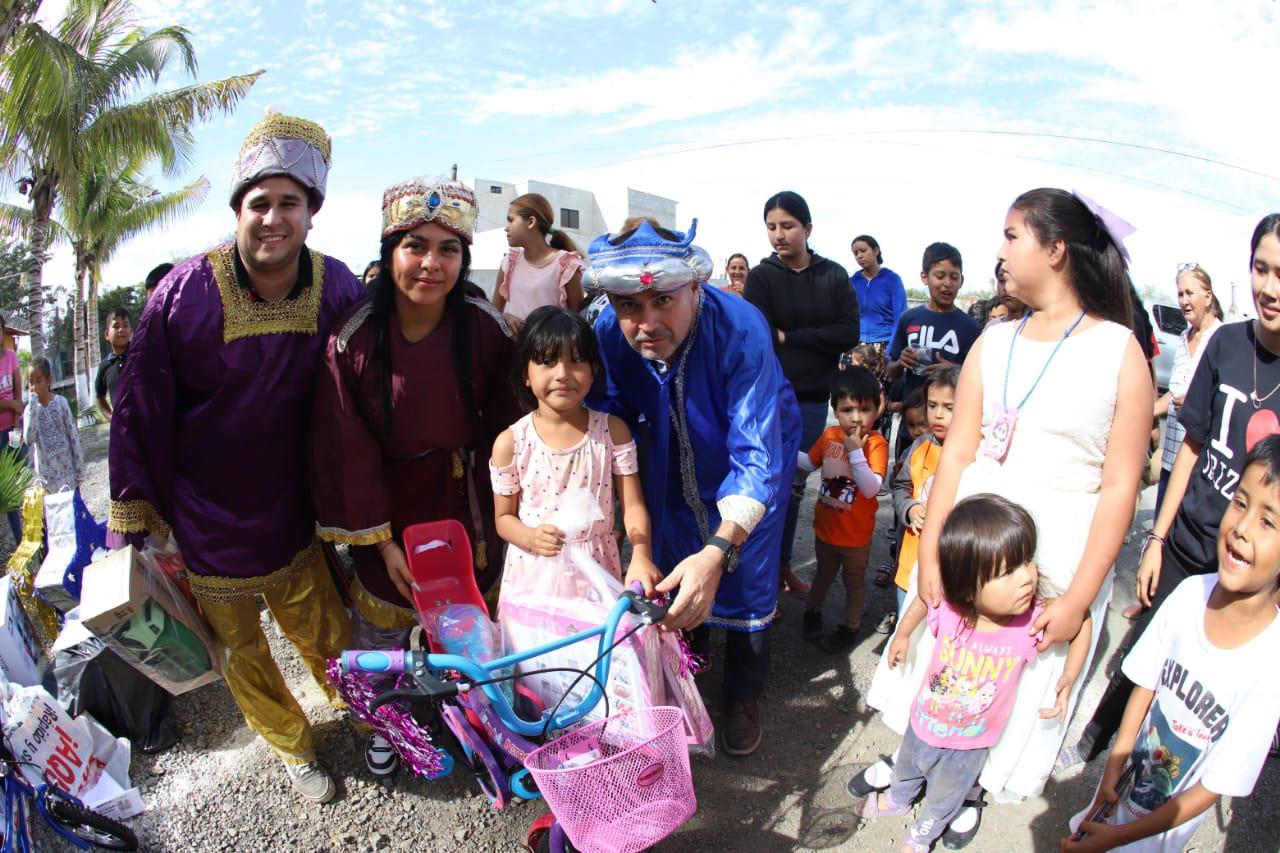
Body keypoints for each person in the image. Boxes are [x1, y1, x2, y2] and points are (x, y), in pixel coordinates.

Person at [858, 189, 1152, 847]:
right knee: (950, 680)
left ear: (1055, 249)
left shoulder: (1118, 350)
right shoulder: (993, 340)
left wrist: (1078, 597)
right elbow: (957, 450)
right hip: (972, 553)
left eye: (1012, 234)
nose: (998, 249)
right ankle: (925, 772)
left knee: (1017, 696)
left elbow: (1119, 487)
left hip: (1054, 569)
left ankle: (974, 789)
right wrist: (931, 550)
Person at [108, 112, 364, 804]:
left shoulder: (339, 288)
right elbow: (138, 408)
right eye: (260, 203)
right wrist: (132, 520)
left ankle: (370, 713)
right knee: (243, 654)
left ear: (312, 213)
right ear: (239, 211)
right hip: (208, 522)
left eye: (289, 203)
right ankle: (292, 745)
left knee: (328, 634)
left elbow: (376, 383)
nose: (273, 218)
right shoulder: (183, 295)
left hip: (294, 517)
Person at [310, 175, 519, 776]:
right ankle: (387, 722)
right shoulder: (351, 341)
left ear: (464, 258)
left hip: (468, 500)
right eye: (415, 246)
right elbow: (344, 447)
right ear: (388, 253)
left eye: (447, 249)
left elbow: (514, 428)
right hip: (389, 508)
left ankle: (477, 714)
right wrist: (378, 539)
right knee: (381, 624)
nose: (431, 264)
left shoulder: (487, 329)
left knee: (473, 619)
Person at [1069, 213, 1280, 768]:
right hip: (1189, 540)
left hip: (1258, 565)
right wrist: (1158, 538)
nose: (1269, 287)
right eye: (1261, 268)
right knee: (1145, 648)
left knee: (1213, 684)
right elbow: (1191, 445)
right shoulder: (1227, 345)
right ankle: (1096, 739)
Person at [586, 217, 800, 756]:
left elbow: (756, 453)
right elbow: (606, 416)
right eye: (628, 305)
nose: (646, 321)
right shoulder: (608, 333)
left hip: (749, 458)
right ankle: (688, 666)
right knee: (672, 560)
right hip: (661, 462)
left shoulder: (741, 327)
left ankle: (744, 695)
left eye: (663, 300)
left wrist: (722, 545)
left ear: (695, 286)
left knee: (746, 578)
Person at [1063, 437, 1280, 853]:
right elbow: (1146, 683)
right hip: (1118, 797)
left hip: (1153, 837)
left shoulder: (1270, 664)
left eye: (1268, 521)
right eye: (1240, 502)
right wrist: (1113, 766)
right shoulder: (1187, 595)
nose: (1242, 526)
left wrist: (1121, 838)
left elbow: (1215, 785)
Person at [856, 494, 1090, 853]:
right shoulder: (950, 608)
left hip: (971, 744)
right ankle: (900, 798)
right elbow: (924, 598)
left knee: (946, 796)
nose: (1028, 576)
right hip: (922, 723)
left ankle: (924, 832)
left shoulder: (1029, 624)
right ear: (966, 584)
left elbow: (1081, 620)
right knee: (907, 767)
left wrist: (1069, 677)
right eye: (1008, 571)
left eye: (1027, 560)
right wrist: (902, 635)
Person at [743, 191, 859, 601]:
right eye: (772, 227)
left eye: (788, 226)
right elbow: (759, 337)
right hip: (767, 400)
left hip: (811, 401)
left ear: (807, 229)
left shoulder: (833, 275)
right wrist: (812, 342)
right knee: (763, 484)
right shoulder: (761, 278)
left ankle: (781, 567)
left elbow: (848, 333)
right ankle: (759, 573)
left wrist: (792, 337)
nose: (779, 235)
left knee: (792, 487)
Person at [491, 305, 660, 585]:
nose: (562, 373)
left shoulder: (612, 431)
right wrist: (530, 537)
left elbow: (633, 506)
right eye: (547, 362)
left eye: (576, 360)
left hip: (597, 575)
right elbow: (503, 518)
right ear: (525, 374)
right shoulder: (510, 443)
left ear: (594, 369)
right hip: (532, 580)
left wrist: (642, 553)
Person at [796, 366, 888, 653]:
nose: (857, 418)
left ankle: (851, 627)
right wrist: (782, 450)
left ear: (877, 409)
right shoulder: (830, 436)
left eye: (865, 409)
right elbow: (810, 463)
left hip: (855, 537)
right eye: (848, 409)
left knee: (854, 582)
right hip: (826, 530)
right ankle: (812, 612)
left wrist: (855, 451)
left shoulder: (876, 444)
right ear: (835, 409)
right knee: (822, 574)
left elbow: (871, 488)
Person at [886, 367, 959, 626]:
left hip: (948, 565)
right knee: (906, 620)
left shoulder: (972, 452)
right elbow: (901, 485)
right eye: (932, 405)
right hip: (910, 561)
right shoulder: (919, 446)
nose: (938, 414)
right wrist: (909, 508)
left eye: (949, 407)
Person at [1154, 264, 1223, 512]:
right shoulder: (1183, 338)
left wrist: (1196, 403)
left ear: (1208, 295)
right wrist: (1146, 412)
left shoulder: (1222, 339)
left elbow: (1225, 403)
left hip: (1199, 467)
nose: (1184, 300)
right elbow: (1174, 393)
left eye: (1189, 293)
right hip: (1171, 459)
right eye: (1180, 294)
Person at [886, 242, 980, 405]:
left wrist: (955, 371)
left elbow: (980, 378)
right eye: (940, 276)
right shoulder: (908, 319)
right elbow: (891, 371)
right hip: (912, 421)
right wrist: (901, 362)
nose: (947, 283)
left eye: (954, 277)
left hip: (952, 419)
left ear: (961, 281)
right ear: (925, 277)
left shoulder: (971, 327)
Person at [492, 193, 585, 333]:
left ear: (531, 222)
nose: (506, 227)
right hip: (513, 352)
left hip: (551, 353)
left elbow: (578, 324)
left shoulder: (565, 265)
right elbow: (493, 313)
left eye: (511, 220)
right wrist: (505, 317)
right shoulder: (509, 262)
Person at [23, 357, 83, 493]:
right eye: (31, 382)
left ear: (48, 380)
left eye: (39, 381)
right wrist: (31, 406)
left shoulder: (61, 403)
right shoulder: (30, 411)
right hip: (46, 480)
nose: (34, 387)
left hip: (68, 474)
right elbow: (29, 439)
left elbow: (73, 436)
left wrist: (78, 470)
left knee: (71, 512)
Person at [850, 234, 906, 352]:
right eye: (856, 253)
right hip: (855, 344)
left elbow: (900, 318)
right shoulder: (852, 282)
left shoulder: (892, 280)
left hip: (884, 344)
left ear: (876, 250)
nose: (859, 255)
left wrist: (892, 349)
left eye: (863, 251)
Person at [0, 313, 26, 543]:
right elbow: (12, 400)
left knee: (23, 478)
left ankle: (37, 536)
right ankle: (20, 542)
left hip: (14, 430)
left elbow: (19, 390)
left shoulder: (10, 356)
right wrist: (9, 404)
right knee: (8, 491)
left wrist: (16, 418)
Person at [94, 307, 131, 421]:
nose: (121, 330)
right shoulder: (105, 366)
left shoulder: (139, 356)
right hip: (123, 429)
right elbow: (99, 397)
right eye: (116, 326)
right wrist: (111, 417)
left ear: (131, 330)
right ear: (106, 334)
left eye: (125, 325)